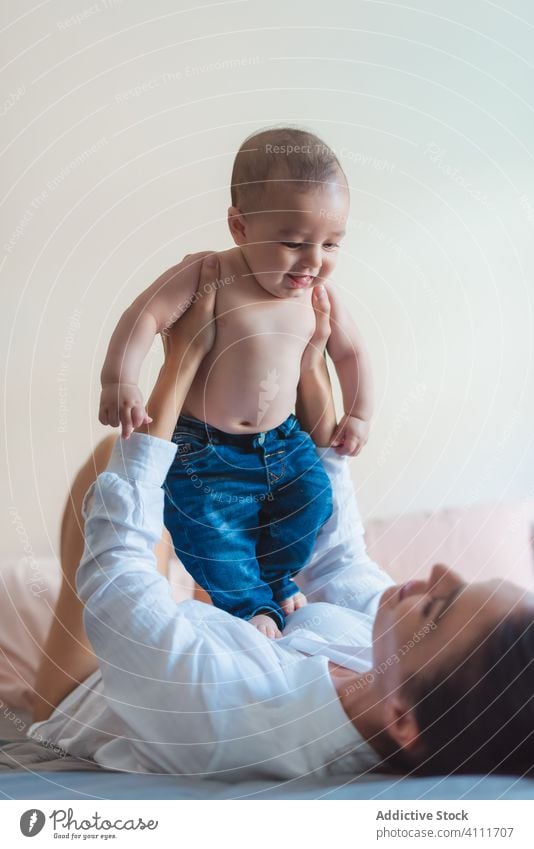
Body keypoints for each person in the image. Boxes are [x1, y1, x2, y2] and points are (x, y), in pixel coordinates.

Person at [31, 256, 534, 780]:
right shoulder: (395, 664)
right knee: (244, 525)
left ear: (403, 721)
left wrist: (180, 362)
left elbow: (117, 572)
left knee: (115, 460)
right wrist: (314, 369)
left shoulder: (229, 714)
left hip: (99, 690)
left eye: (436, 607)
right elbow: (339, 561)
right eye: (462, 583)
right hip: (245, 636)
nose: (436, 574)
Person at [97, 126, 374, 637]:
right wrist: (119, 380)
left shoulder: (318, 297)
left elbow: (351, 352)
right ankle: (247, 605)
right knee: (210, 531)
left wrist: (357, 413)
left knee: (313, 500)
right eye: (293, 243)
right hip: (205, 450)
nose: (313, 261)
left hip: (284, 441)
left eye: (331, 244)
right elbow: (145, 317)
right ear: (240, 226)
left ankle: (275, 580)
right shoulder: (208, 275)